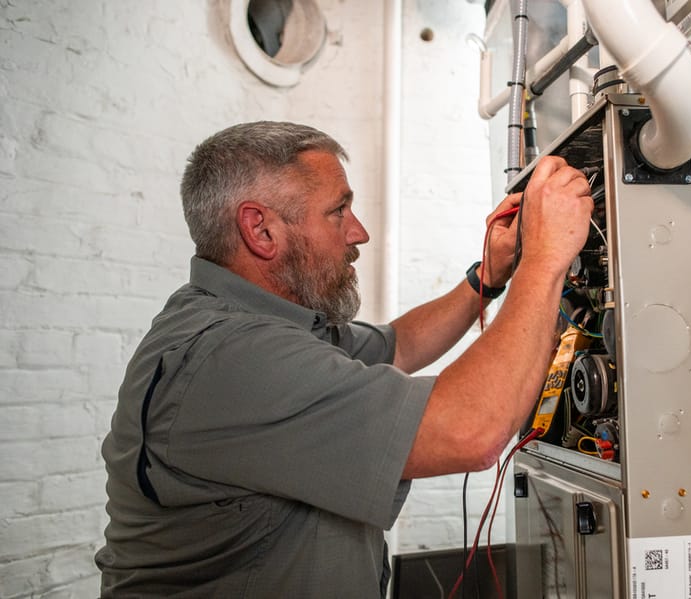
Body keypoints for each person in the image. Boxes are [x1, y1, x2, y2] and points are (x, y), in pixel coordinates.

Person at [95, 121, 593, 597]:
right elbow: (472, 430)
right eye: (339, 210)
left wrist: (488, 276)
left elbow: (399, 344)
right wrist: (547, 256)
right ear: (260, 230)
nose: (359, 233)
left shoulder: (267, 322)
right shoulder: (230, 357)